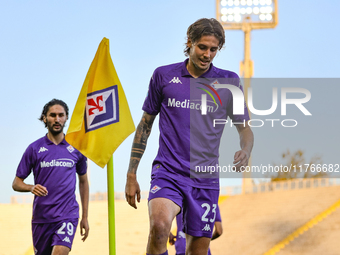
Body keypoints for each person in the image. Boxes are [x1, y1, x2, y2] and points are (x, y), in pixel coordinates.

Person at [125, 18, 253, 255]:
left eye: (213, 49)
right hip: (168, 172)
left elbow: (245, 129)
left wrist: (246, 149)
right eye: (202, 47)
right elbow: (145, 125)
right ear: (190, 43)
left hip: (205, 179)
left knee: (197, 250)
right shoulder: (163, 76)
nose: (207, 54)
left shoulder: (229, 81)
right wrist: (132, 173)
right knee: (160, 226)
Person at [12, 99, 89, 255]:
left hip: (68, 215)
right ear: (45, 118)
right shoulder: (34, 149)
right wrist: (31, 187)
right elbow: (16, 183)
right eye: (52, 115)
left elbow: (83, 181)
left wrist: (85, 216)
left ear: (66, 118)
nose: (57, 119)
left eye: (61, 115)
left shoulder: (76, 148)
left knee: (59, 252)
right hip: (41, 218)